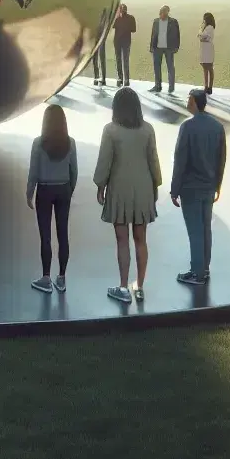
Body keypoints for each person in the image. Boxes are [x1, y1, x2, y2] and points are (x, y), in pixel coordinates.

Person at [95, 87, 162, 303]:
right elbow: (154, 160)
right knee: (141, 239)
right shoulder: (148, 129)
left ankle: (123, 287)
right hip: (143, 188)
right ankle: (139, 286)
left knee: (122, 240)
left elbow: (105, 161)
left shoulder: (110, 130)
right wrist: (156, 186)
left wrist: (100, 186)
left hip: (119, 189)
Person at [171, 87, 226, 285]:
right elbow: (221, 159)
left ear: (194, 102)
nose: (186, 102)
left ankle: (197, 272)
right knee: (205, 229)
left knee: (195, 230)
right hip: (209, 187)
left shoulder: (187, 127)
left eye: (188, 99)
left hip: (191, 188)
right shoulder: (217, 127)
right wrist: (218, 185)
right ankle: (205, 267)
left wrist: (174, 188)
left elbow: (180, 160)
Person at [24, 103, 78, 293]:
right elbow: (74, 171)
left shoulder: (38, 143)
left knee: (45, 236)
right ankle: (61, 278)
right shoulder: (70, 142)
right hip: (63, 189)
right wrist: (69, 190)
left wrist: (30, 192)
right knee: (63, 234)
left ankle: (46, 278)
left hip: (45, 191)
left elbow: (33, 172)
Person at [149, 5, 180, 93]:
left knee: (170, 67)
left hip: (169, 48)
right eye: (160, 13)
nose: (161, 15)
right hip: (157, 48)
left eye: (163, 13)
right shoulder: (156, 21)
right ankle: (157, 86)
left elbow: (177, 35)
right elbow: (153, 35)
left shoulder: (173, 22)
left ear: (167, 13)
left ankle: (171, 87)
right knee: (156, 67)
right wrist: (151, 46)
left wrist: (176, 47)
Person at [111, 4, 136, 86]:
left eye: (123, 9)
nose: (122, 10)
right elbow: (113, 26)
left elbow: (133, 29)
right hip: (118, 42)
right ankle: (121, 79)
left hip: (125, 42)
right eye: (121, 9)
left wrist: (124, 27)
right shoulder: (117, 18)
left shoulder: (131, 18)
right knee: (119, 61)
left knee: (125, 61)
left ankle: (126, 79)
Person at [197, 13, 217, 93]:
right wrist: (201, 36)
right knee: (205, 68)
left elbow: (203, 36)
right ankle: (206, 86)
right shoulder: (204, 27)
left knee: (209, 68)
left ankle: (210, 87)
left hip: (208, 50)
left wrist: (201, 36)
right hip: (204, 49)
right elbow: (200, 36)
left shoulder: (210, 27)